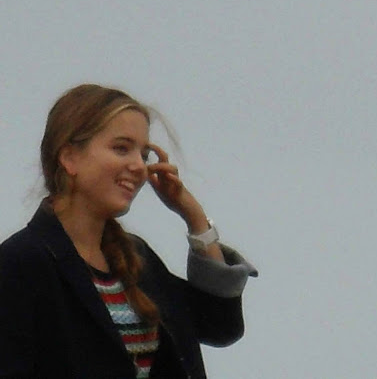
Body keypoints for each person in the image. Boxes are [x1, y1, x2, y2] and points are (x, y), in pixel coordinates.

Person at [0, 84, 258, 378]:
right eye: (121, 148)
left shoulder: (135, 256)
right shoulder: (21, 262)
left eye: (144, 155)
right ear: (69, 157)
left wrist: (194, 217)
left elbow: (219, 325)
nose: (138, 166)